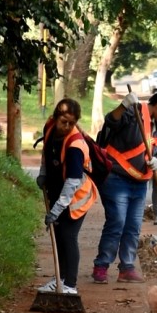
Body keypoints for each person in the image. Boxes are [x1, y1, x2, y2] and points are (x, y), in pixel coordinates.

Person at [92, 90, 157, 284]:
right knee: (117, 222)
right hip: (116, 178)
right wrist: (123, 105)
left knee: (133, 227)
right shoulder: (133, 112)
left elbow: (156, 151)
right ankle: (101, 266)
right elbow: (111, 122)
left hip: (140, 183)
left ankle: (127, 268)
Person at [35, 98, 99, 294]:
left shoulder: (75, 146)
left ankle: (70, 284)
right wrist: (43, 172)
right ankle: (59, 279)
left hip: (76, 198)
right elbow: (46, 151)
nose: (67, 126)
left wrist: (56, 211)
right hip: (57, 191)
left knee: (67, 236)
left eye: (72, 123)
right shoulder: (49, 127)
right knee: (60, 237)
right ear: (55, 118)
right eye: (64, 121)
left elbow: (72, 182)